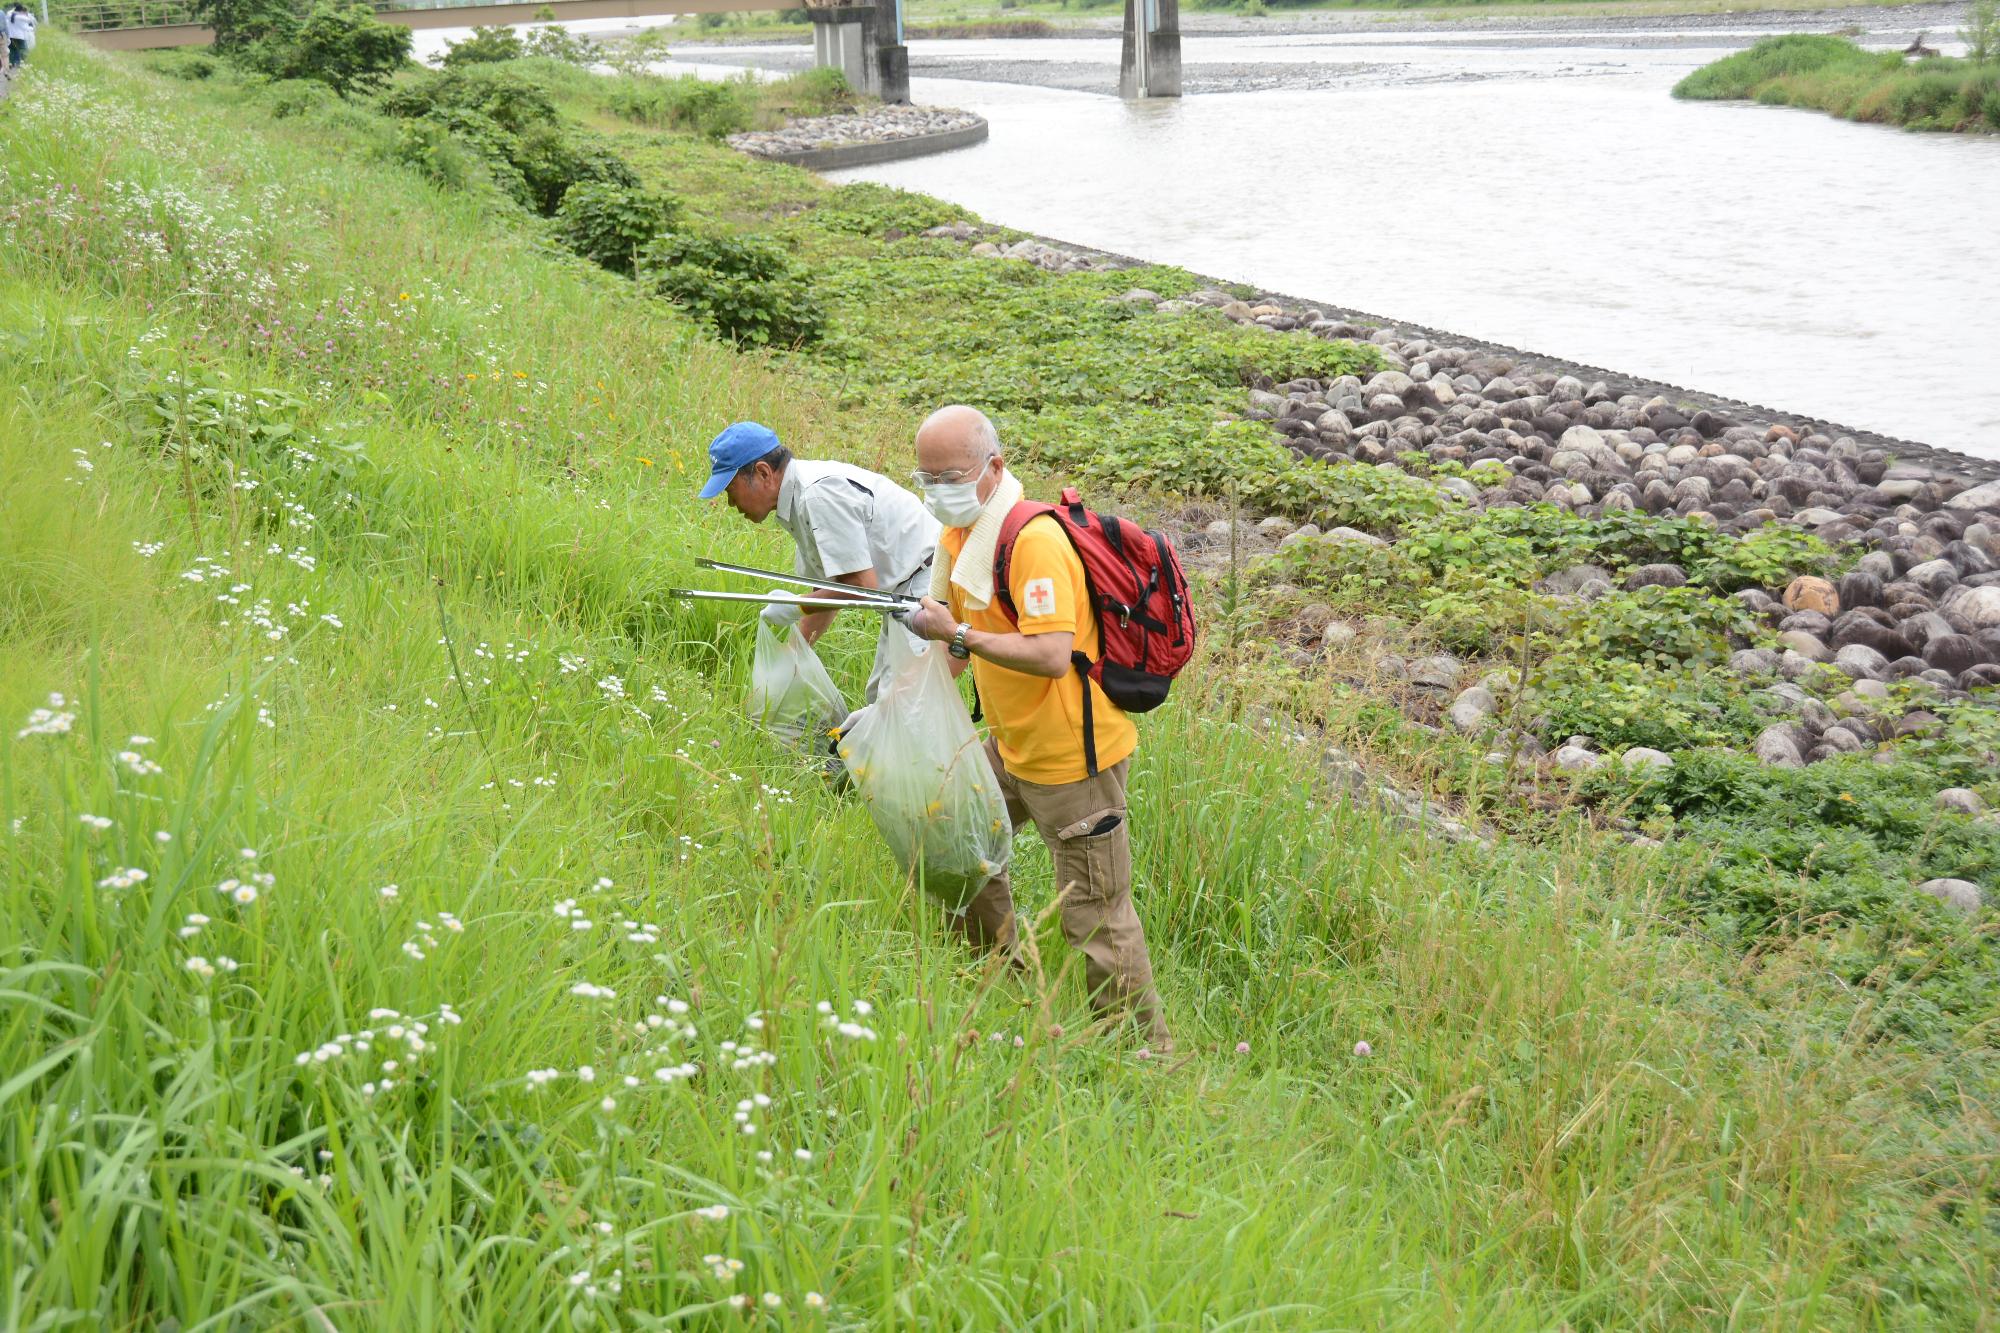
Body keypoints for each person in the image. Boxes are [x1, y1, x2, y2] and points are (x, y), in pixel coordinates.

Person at [904, 405, 1170, 1050]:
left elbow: (1050, 654)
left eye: (953, 474)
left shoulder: (1033, 542)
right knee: (950, 840)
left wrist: (956, 632)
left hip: (1073, 760)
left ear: (994, 467)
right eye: (927, 477)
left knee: (1095, 916)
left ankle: (1144, 1058)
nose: (940, 488)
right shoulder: (961, 538)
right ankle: (1003, 980)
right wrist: (901, 707)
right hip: (1011, 745)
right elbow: (958, 647)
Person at [699, 421, 939, 708]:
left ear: (763, 472)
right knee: (882, 699)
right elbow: (829, 591)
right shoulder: (797, 500)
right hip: (905, 592)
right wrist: (791, 659)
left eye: (730, 489)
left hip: (927, 586)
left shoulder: (819, 494)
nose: (729, 503)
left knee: (903, 706)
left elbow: (862, 588)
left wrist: (796, 605)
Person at [5, 3, 34, 73]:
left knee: (12, 50)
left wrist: (15, 11)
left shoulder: (9, 15)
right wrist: (25, 14)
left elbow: (9, 12)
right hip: (19, 36)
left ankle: (11, 63)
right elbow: (28, 20)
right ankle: (22, 63)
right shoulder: (19, 17)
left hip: (11, 36)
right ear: (20, 11)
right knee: (23, 49)